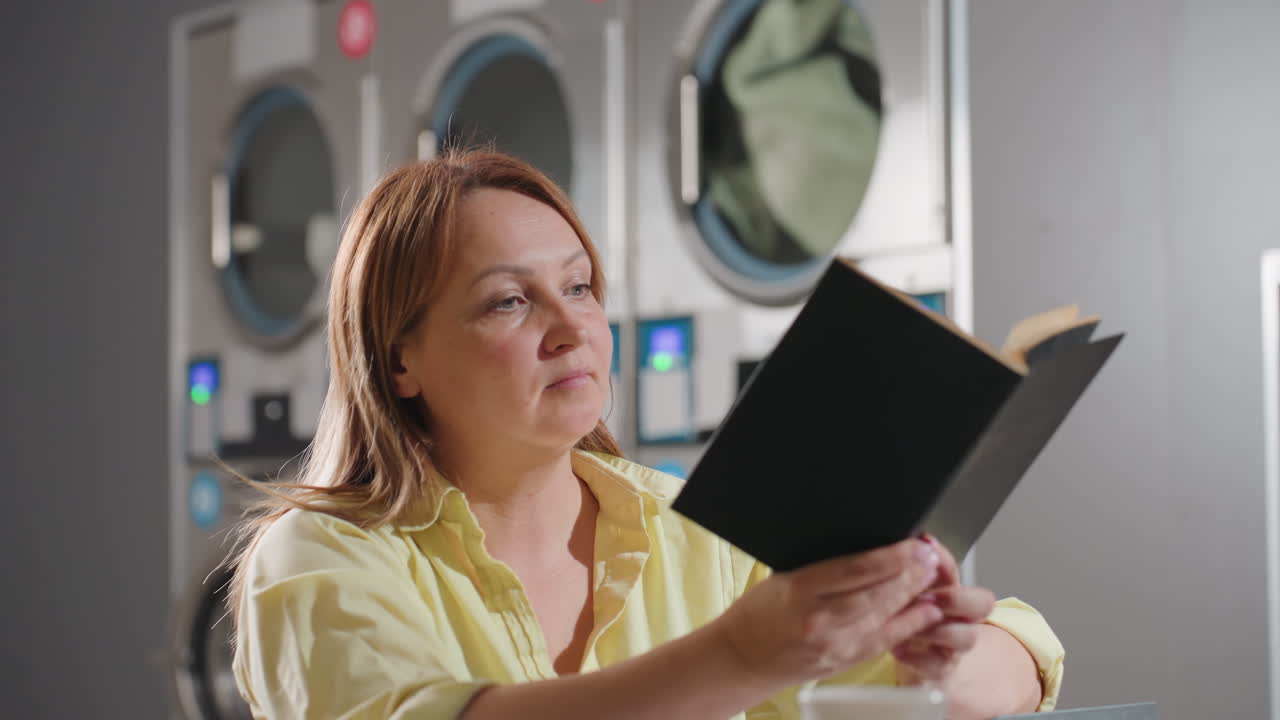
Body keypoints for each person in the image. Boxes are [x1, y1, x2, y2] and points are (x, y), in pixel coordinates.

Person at [228, 149, 1063, 719]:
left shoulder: (695, 530)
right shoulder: (317, 557)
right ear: (398, 358)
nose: (571, 329)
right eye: (508, 301)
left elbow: (1026, 648)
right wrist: (742, 653)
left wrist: (941, 668)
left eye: (581, 287)